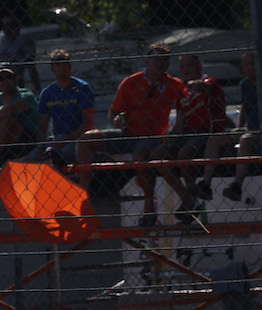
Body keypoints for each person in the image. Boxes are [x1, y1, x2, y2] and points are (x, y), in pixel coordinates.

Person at [76, 43, 187, 225]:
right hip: (127, 134)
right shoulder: (131, 82)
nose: (160, 63)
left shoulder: (174, 85)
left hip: (152, 136)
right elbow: (113, 111)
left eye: (164, 60)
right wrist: (116, 120)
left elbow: (186, 105)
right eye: (156, 59)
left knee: (141, 153)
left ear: (168, 65)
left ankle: (149, 207)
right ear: (147, 61)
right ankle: (84, 195)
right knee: (86, 139)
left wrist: (175, 132)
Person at [157, 53, 226, 205]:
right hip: (187, 134)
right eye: (183, 67)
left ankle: (192, 192)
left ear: (199, 67)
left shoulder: (210, 81)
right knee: (158, 153)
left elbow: (205, 87)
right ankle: (186, 196)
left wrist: (195, 85)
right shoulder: (181, 91)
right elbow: (180, 122)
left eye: (190, 66)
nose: (186, 70)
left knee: (184, 153)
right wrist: (170, 137)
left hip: (206, 133)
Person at [35, 48, 94, 168]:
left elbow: (88, 124)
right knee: (30, 159)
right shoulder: (47, 93)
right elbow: (42, 126)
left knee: (56, 156)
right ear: (52, 68)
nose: (62, 68)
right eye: (57, 65)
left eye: (65, 64)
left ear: (70, 66)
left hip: (78, 139)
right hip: (56, 139)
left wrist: (64, 141)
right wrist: (41, 146)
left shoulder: (82, 88)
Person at [220, 51, 262, 202]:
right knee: (215, 139)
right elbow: (244, 106)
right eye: (246, 65)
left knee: (245, 140)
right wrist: (239, 126)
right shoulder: (244, 84)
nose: (250, 67)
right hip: (249, 128)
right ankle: (205, 184)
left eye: (252, 64)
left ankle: (237, 185)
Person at [0, 65, 37, 159]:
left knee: (7, 120)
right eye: (1, 78)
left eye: (9, 77)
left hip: (27, 140)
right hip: (6, 141)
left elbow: (13, 108)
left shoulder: (26, 94)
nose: (5, 81)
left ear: (16, 79)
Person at [0, 15, 37, 91]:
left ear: (18, 27)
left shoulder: (24, 40)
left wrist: (37, 88)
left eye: (11, 26)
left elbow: (30, 63)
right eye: (4, 26)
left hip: (15, 76)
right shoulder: (1, 40)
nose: (7, 29)